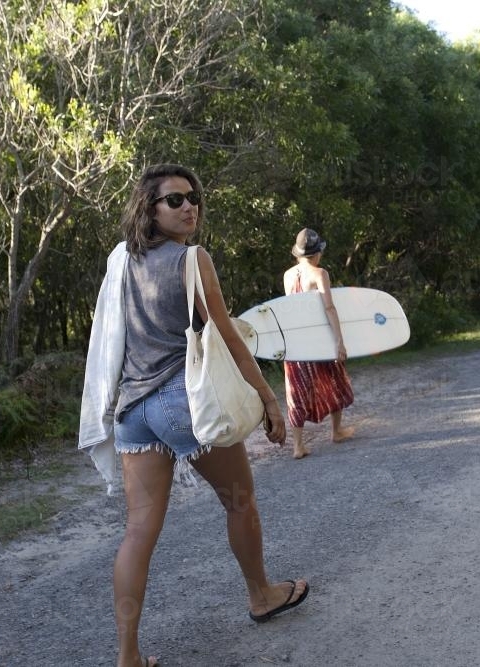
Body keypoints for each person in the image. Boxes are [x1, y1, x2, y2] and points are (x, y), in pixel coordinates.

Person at [94, 164, 310, 667]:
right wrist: (270, 400)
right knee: (239, 501)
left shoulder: (121, 260)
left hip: (133, 410)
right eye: (175, 200)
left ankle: (128, 657)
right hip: (180, 402)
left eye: (194, 198)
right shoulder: (193, 259)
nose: (189, 206)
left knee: (138, 530)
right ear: (149, 208)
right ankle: (262, 595)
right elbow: (228, 336)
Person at [282, 228, 355, 459]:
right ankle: (336, 431)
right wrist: (339, 341)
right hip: (319, 341)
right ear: (317, 253)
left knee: (298, 390)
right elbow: (329, 307)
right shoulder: (319, 273)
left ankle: (298, 445)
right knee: (336, 379)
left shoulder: (288, 276)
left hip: (296, 342)